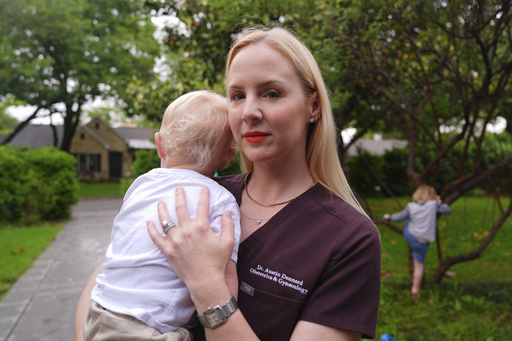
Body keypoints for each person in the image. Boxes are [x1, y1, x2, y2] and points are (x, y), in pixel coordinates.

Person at [76, 26, 381, 341]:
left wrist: (207, 286)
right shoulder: (199, 190)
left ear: (314, 107)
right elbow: (108, 278)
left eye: (271, 93)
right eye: (237, 96)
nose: (249, 111)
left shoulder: (349, 239)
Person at [81, 90, 241, 341]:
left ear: (159, 144)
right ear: (226, 158)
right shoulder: (220, 200)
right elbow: (226, 274)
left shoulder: (141, 184)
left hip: (98, 310)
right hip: (150, 329)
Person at [383, 184, 451, 300]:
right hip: (422, 242)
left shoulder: (411, 206)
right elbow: (447, 210)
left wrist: (389, 217)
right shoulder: (433, 205)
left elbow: (400, 216)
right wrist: (439, 202)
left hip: (411, 236)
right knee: (419, 267)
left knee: (408, 219)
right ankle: (415, 288)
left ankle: (415, 288)